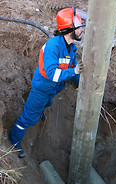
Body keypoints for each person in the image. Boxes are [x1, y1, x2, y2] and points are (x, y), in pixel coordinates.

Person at [9, 8, 85, 158]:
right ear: (70, 29)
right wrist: (74, 72)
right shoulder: (52, 47)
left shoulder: (72, 48)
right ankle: (13, 142)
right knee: (28, 117)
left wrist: (80, 81)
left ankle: (41, 111)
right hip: (42, 90)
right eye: (79, 27)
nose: (82, 30)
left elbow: (71, 68)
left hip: (53, 89)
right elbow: (52, 74)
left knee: (47, 103)